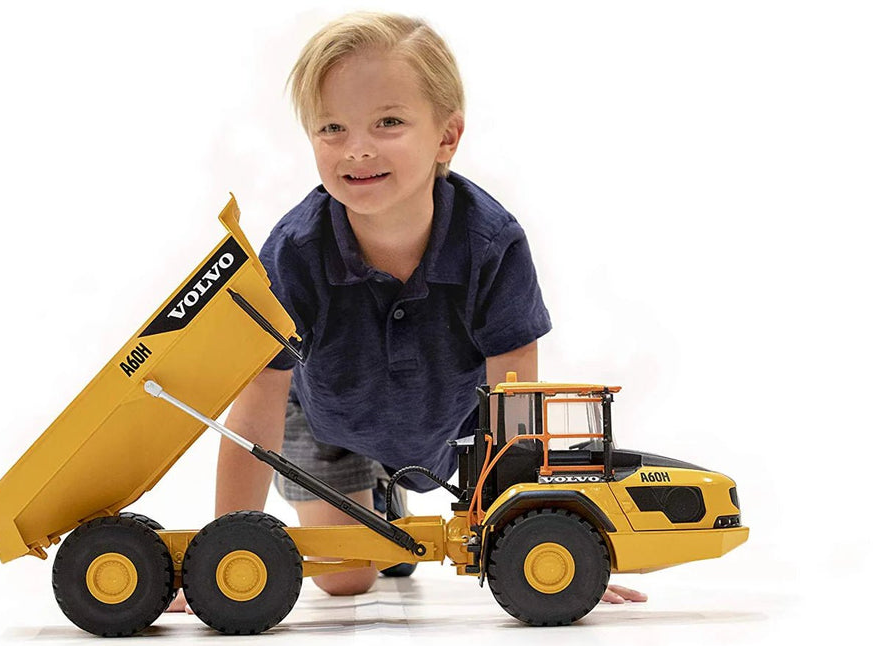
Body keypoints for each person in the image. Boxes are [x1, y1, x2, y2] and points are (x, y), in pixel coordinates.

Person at [169, 11, 645, 613]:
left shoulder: (492, 245)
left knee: (401, 528)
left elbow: (518, 409)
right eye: (332, 128)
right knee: (347, 577)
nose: (357, 148)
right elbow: (256, 407)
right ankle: (377, 506)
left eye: (388, 122)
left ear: (447, 136)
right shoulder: (294, 253)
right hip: (327, 422)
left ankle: (387, 501)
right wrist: (219, 557)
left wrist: (553, 546)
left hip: (445, 429)